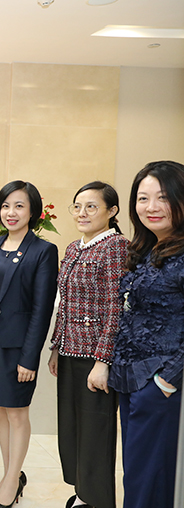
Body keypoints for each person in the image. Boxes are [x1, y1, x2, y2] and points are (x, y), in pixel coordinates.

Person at [0, 180, 57, 508]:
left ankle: (11, 483)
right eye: (6, 206)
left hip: (18, 347)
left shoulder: (43, 251)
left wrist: (29, 358)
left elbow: (41, 309)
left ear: (33, 211)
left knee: (17, 413)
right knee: (0, 410)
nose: (11, 212)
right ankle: (10, 474)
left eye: (19, 206)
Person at [109, 160, 184, 508]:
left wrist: (167, 380)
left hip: (161, 382)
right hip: (133, 378)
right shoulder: (147, 249)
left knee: (149, 477)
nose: (151, 207)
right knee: (138, 474)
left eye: (163, 197)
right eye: (143, 198)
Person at [48, 181, 127, 508]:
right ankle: (82, 492)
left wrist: (103, 361)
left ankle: (97, 500)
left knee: (96, 431)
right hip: (69, 352)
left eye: (91, 206)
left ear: (112, 211)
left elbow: (115, 307)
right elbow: (65, 303)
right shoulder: (73, 247)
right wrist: (56, 346)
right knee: (71, 428)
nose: (82, 213)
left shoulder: (115, 246)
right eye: (78, 206)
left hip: (94, 358)